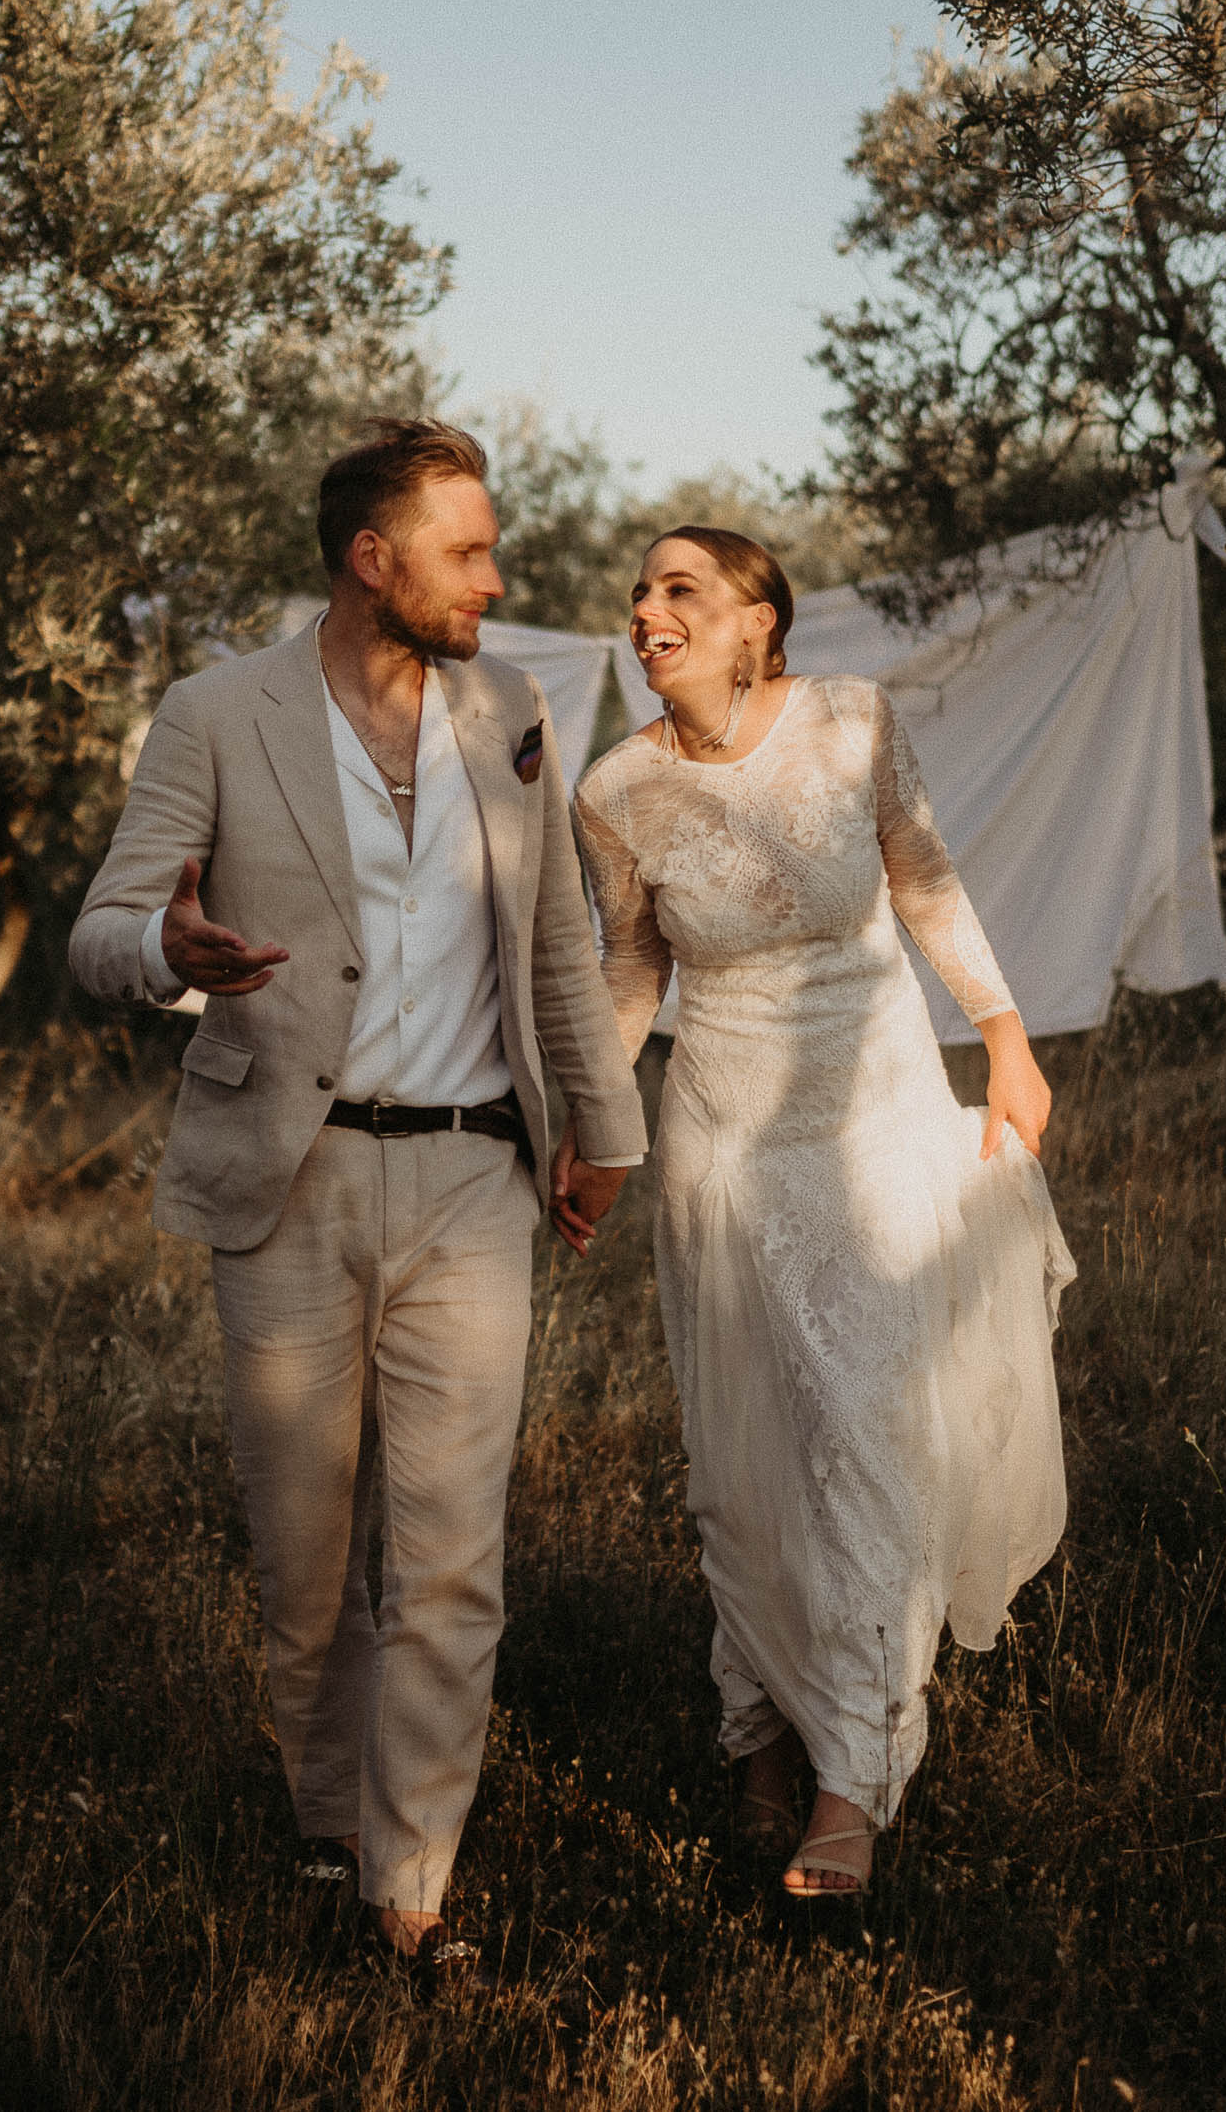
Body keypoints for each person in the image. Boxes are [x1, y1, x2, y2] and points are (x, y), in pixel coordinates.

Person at [70, 418, 647, 1971]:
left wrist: (602, 1133)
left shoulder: (514, 708)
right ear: (371, 561)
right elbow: (103, 923)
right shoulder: (215, 712)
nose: (495, 575)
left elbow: (556, 951)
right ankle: (329, 1812)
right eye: (467, 550)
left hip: (475, 1177)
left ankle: (413, 1884)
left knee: (453, 1551)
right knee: (306, 1555)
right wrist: (162, 952)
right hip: (290, 1180)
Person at [560, 526, 1073, 1896]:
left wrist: (1007, 1035)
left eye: (683, 588)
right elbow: (631, 971)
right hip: (722, 1141)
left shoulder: (852, 721)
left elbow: (925, 879)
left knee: (865, 1426)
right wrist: (592, 1129)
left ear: (755, 622)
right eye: (642, 590)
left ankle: (853, 1771)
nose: (648, 607)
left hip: (876, 1120)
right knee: (746, 1454)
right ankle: (757, 1735)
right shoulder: (614, 790)